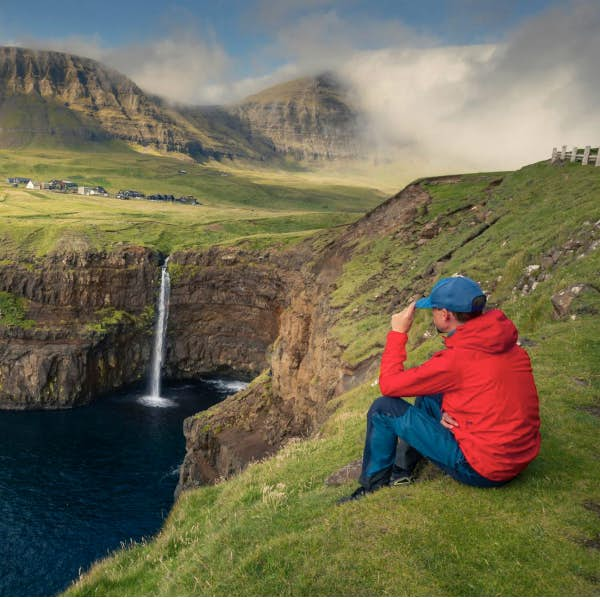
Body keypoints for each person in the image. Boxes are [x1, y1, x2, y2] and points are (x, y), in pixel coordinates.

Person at [338, 275, 541, 504]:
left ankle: (372, 489)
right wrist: (452, 412)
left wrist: (398, 333)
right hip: (517, 457)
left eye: (433, 310)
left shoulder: (457, 360)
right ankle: (401, 470)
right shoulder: (506, 345)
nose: (432, 314)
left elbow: (389, 385)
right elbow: (488, 394)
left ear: (446, 315)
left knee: (383, 408)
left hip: (484, 469)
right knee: (429, 392)